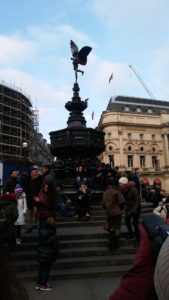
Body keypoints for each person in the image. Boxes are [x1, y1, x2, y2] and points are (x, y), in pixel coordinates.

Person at [101, 178, 125, 251]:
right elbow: (121, 201)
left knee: (111, 228)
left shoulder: (105, 192)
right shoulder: (116, 192)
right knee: (117, 228)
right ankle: (115, 244)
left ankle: (110, 244)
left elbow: (102, 204)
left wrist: (107, 208)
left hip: (109, 213)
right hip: (117, 212)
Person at [118, 176, 141, 247]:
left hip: (136, 207)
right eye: (119, 184)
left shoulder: (133, 189)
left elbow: (138, 201)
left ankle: (138, 239)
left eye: (120, 184)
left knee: (135, 223)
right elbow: (123, 199)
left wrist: (134, 210)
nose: (119, 185)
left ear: (125, 184)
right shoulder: (122, 189)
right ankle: (131, 234)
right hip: (129, 207)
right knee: (127, 221)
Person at [25, 167, 43, 233]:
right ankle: (29, 228)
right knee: (30, 214)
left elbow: (42, 189)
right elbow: (26, 189)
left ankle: (39, 227)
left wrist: (40, 197)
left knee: (37, 214)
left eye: (36, 172)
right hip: (29, 199)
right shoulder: (28, 179)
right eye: (34, 172)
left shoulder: (40, 179)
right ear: (31, 173)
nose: (35, 174)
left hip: (37, 200)